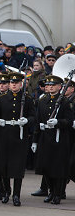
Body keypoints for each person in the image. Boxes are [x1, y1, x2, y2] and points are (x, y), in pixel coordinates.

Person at [0, 72, 35, 206]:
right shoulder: (1, 98)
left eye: (16, 83)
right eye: (12, 83)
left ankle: (16, 195)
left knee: (18, 167)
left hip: (19, 136)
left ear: (21, 84)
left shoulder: (27, 99)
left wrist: (26, 120)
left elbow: (33, 117)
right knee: (3, 165)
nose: (14, 85)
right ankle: (7, 191)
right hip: (4, 135)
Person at [32, 75, 73, 205]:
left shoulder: (65, 102)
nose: (50, 87)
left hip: (59, 138)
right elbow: (38, 121)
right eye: (48, 85)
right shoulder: (42, 100)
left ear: (60, 87)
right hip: (46, 138)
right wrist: (35, 140)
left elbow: (69, 121)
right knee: (46, 167)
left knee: (58, 168)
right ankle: (50, 191)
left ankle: (57, 194)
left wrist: (58, 122)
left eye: (53, 85)